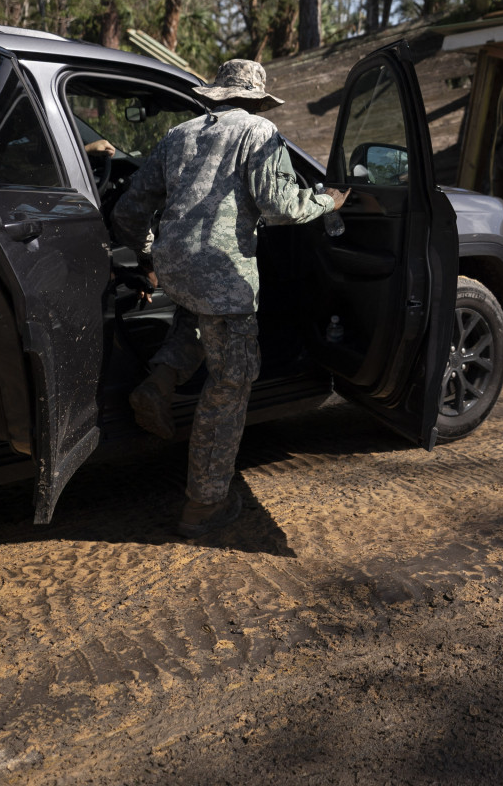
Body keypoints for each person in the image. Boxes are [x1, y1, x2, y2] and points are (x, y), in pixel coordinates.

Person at [112, 59, 346, 538]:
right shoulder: (260, 132)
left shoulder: (179, 135)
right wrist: (328, 201)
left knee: (197, 318)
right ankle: (205, 502)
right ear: (258, 100)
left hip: (178, 265)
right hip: (224, 273)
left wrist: (147, 257)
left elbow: (130, 208)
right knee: (230, 385)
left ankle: (157, 383)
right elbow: (281, 205)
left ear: (216, 95)